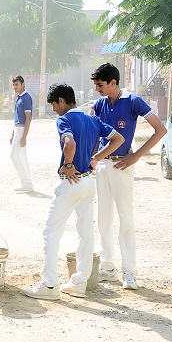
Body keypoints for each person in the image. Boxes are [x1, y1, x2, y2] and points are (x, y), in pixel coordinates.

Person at [23, 83, 124, 300]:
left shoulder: (65, 119)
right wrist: (96, 158)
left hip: (71, 182)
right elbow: (119, 139)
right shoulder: (92, 119)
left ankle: (49, 285)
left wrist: (68, 164)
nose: (54, 110)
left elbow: (69, 143)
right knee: (85, 233)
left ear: (61, 101)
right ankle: (79, 283)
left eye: (54, 105)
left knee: (51, 233)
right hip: (89, 181)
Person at [90, 63, 167, 290]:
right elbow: (95, 135)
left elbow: (160, 130)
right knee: (103, 219)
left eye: (100, 85)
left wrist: (137, 156)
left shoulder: (133, 101)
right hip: (102, 166)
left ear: (114, 82)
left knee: (126, 219)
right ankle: (108, 267)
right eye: (95, 85)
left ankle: (130, 272)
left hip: (123, 166)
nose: (97, 89)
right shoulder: (98, 104)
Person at [10, 75, 34, 192]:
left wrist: (24, 136)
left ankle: (25, 182)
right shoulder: (18, 97)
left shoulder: (26, 97)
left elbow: (28, 118)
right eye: (14, 85)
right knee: (22, 156)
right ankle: (28, 183)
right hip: (17, 129)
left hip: (22, 129)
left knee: (13, 155)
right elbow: (16, 118)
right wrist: (12, 134)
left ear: (23, 84)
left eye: (17, 84)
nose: (15, 87)